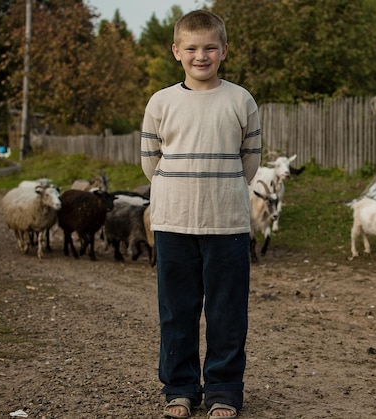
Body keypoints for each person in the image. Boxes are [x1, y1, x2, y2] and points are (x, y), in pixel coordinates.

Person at [141, 10, 261, 419]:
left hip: (226, 221)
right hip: (173, 221)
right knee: (177, 309)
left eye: (210, 47)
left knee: (227, 310)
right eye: (191, 48)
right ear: (177, 51)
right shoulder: (161, 101)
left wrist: (219, 189)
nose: (201, 55)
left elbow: (250, 161)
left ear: (224, 50)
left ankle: (224, 390)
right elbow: (149, 160)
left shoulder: (240, 99)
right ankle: (180, 388)